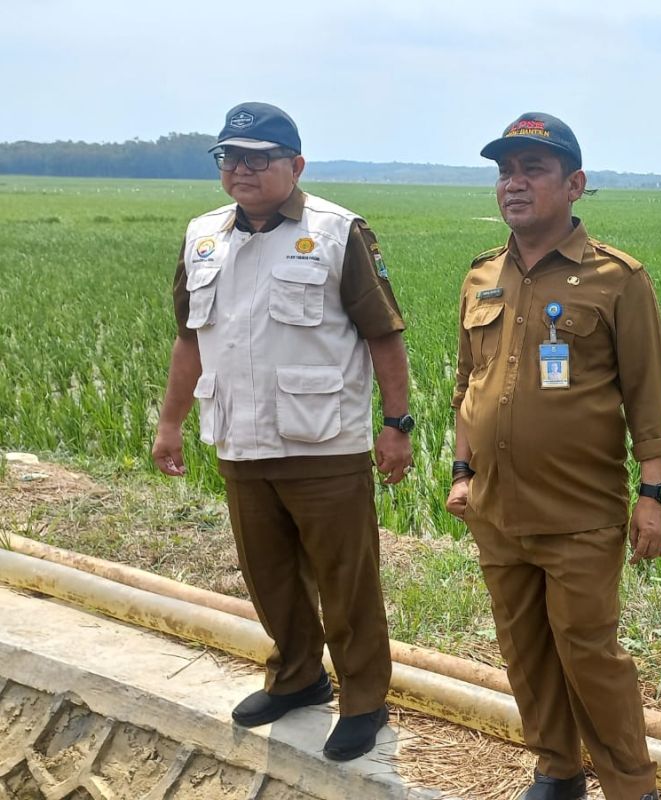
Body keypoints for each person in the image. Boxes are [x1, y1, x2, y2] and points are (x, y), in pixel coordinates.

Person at [152, 102, 414, 762]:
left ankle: (363, 701)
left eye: (258, 158)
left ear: (294, 166)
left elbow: (384, 335)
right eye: (229, 158)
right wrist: (170, 422)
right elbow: (190, 340)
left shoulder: (337, 232)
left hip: (323, 443)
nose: (241, 170)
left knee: (346, 580)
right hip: (240, 440)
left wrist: (395, 425)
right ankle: (297, 677)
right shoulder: (202, 236)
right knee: (267, 575)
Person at [445, 112, 661, 800]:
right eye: (504, 171)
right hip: (496, 509)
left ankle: (632, 786)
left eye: (532, 170)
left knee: (589, 655)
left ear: (574, 184)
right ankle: (557, 769)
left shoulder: (616, 279)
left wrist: (653, 496)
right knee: (524, 650)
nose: (514, 184)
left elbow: (648, 398)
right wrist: (461, 472)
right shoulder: (482, 275)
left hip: (578, 512)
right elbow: (466, 385)